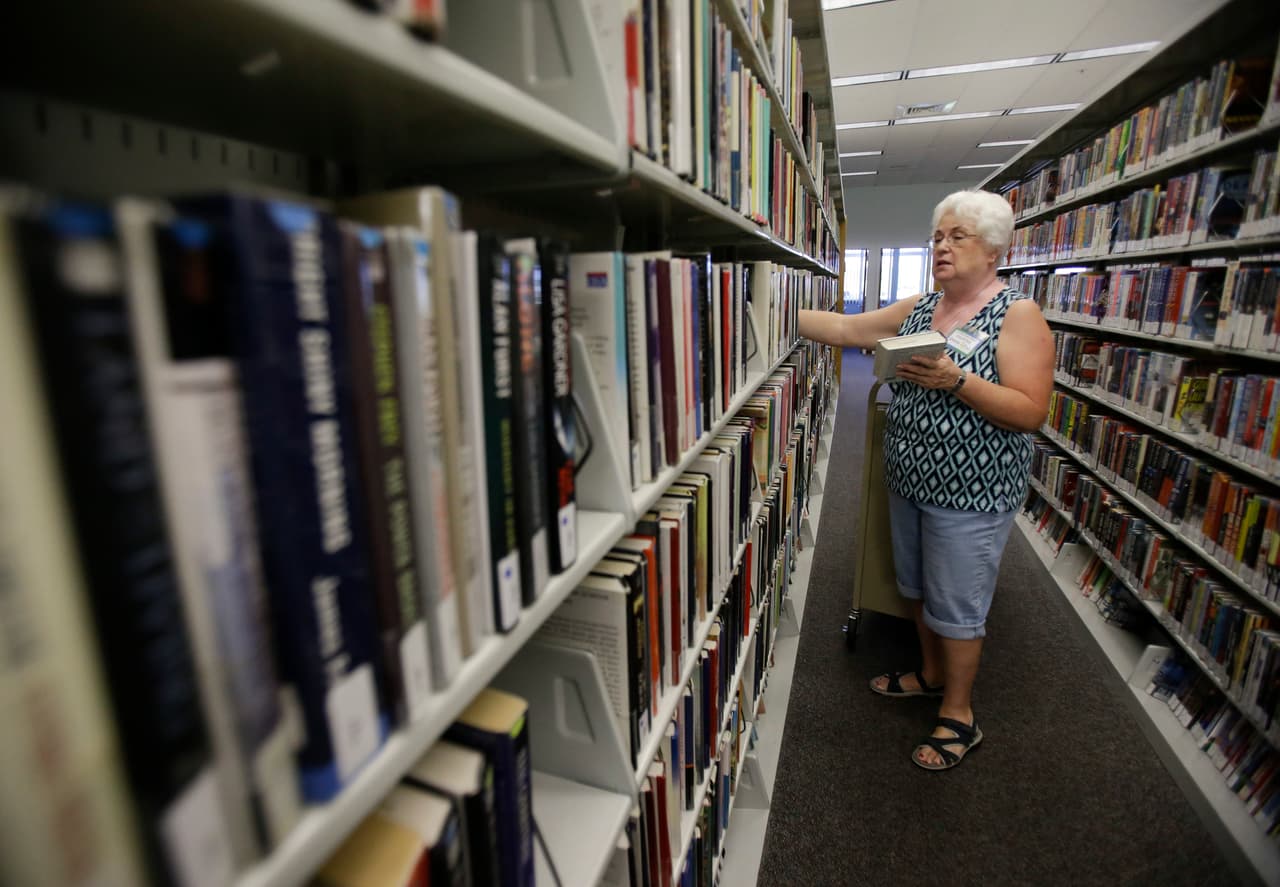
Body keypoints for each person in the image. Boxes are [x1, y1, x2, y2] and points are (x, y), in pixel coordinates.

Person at [797, 189, 1053, 771]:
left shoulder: (1017, 315)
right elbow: (844, 327)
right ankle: (932, 673)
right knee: (914, 587)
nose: (942, 246)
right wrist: (751, 298)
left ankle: (959, 714)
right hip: (910, 479)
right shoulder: (922, 306)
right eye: (937, 236)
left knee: (957, 604)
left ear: (993, 249)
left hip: (972, 491)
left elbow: (1030, 411)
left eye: (957, 236)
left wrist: (956, 381)